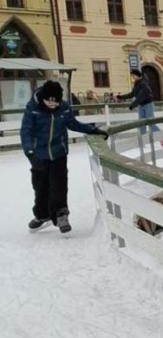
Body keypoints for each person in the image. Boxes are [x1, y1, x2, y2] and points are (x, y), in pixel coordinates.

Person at [20, 80, 108, 233]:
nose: (53, 105)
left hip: (59, 152)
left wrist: (93, 130)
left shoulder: (64, 107)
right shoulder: (32, 108)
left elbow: (73, 124)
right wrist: (29, 152)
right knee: (40, 187)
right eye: (49, 101)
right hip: (38, 154)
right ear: (43, 98)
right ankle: (42, 215)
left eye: (56, 102)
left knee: (59, 185)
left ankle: (61, 215)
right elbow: (25, 131)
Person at [128, 68, 162, 141]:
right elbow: (132, 94)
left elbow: (141, 96)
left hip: (148, 104)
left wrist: (133, 105)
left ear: (137, 75)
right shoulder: (136, 83)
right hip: (141, 105)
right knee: (141, 124)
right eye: (132, 76)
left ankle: (161, 137)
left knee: (151, 123)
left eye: (133, 76)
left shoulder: (144, 83)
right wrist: (120, 97)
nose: (132, 77)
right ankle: (143, 140)